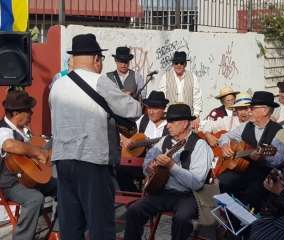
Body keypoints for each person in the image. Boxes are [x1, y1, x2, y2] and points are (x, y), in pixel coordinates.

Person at [49, 34, 141, 240]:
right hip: (93, 161)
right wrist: (127, 98)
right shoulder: (101, 81)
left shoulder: (57, 85)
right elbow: (132, 110)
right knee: (100, 225)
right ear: (96, 59)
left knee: (71, 225)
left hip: (62, 160)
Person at [124, 103, 212, 240]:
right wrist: (149, 168)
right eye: (168, 121)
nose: (167, 125)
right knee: (133, 211)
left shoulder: (200, 145)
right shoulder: (164, 140)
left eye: (172, 122)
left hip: (188, 195)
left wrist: (172, 166)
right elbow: (148, 160)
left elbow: (197, 183)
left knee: (182, 220)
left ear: (184, 123)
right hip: (163, 192)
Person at [0, 90, 56, 240]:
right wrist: (38, 153)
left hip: (29, 179)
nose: (32, 113)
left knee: (64, 186)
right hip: (10, 184)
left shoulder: (23, 130)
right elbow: (10, 145)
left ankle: (57, 230)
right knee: (34, 199)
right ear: (17, 113)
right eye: (29, 110)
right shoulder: (2, 130)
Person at [218, 91, 284, 211]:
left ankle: (251, 222)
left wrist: (263, 158)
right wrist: (224, 145)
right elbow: (225, 136)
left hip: (264, 173)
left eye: (252, 108)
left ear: (265, 111)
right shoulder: (246, 125)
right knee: (224, 180)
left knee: (253, 191)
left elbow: (278, 159)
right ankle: (231, 215)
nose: (248, 111)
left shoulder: (279, 131)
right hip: (243, 170)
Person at [118, 91, 169, 192]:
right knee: (120, 170)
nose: (151, 112)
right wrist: (125, 140)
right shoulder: (143, 120)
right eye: (149, 108)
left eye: (155, 108)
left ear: (163, 109)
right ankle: (134, 199)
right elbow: (123, 132)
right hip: (139, 164)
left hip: (159, 168)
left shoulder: (170, 125)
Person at [159, 51, 202, 129]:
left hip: (188, 118)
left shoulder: (193, 77)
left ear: (185, 64)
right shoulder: (165, 77)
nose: (179, 65)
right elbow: (162, 98)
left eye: (181, 63)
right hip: (171, 118)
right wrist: (165, 114)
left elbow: (197, 97)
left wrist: (196, 115)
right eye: (176, 63)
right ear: (173, 64)